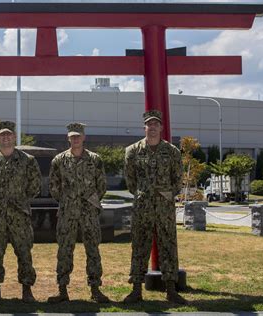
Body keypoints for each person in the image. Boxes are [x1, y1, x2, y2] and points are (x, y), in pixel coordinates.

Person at [123, 110, 186, 304]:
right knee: (140, 245)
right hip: (143, 207)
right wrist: (143, 194)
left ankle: (170, 290)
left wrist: (168, 193)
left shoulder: (172, 151)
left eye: (156, 124)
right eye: (149, 124)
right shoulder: (132, 150)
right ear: (144, 127)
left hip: (164, 207)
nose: (152, 128)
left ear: (161, 127)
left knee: (168, 245)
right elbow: (130, 179)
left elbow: (178, 178)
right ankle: (136, 290)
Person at [0, 121, 41, 303]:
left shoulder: (27, 160)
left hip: (19, 215)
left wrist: (21, 199)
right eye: (2, 135)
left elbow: (35, 184)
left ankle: (27, 291)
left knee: (24, 253)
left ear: (14, 137)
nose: (6, 138)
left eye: (9, 134)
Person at [48, 123, 110, 303]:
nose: (75, 139)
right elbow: (54, 185)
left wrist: (90, 200)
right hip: (67, 212)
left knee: (93, 250)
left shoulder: (95, 159)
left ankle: (95, 289)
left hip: (89, 212)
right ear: (68, 138)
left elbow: (102, 184)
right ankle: (62, 289)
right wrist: (67, 200)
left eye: (78, 136)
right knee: (65, 250)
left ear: (84, 137)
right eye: (72, 136)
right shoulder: (59, 160)